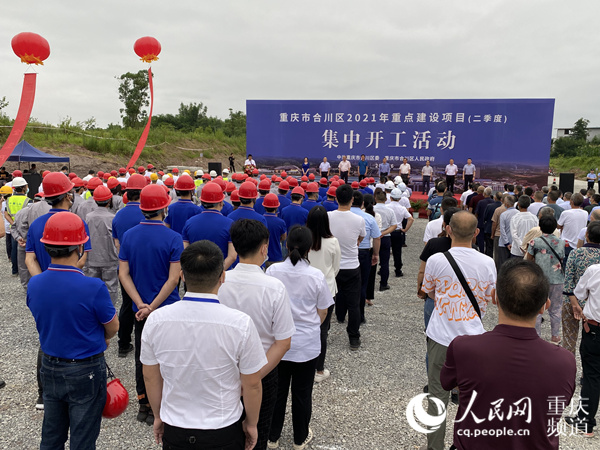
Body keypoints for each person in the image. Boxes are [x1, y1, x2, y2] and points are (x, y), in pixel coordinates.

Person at [141, 240, 266, 449]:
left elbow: (150, 376)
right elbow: (252, 383)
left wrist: (158, 415)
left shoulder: (156, 320)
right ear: (222, 277)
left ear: (182, 276)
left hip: (176, 427)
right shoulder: (240, 324)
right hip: (223, 429)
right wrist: (251, 423)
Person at [441, 259, 576, 449]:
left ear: (494, 297)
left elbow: (447, 383)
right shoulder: (565, 361)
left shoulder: (463, 348)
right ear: (545, 305)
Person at [27, 212, 119, 449]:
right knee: (83, 438)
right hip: (86, 368)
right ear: (80, 247)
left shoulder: (35, 284)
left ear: (46, 246)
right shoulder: (93, 287)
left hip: (50, 364)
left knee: (51, 435)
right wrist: (103, 337)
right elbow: (113, 327)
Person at [421, 211, 496, 450]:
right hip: (474, 337)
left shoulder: (436, 260)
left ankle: (435, 446)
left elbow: (429, 292)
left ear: (448, 229)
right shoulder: (487, 262)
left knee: (437, 395)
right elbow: (490, 296)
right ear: (476, 233)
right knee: (472, 397)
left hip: (441, 335)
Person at [219, 220, 295, 450]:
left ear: (235, 247)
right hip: (263, 372)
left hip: (223, 370)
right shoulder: (274, 287)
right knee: (257, 436)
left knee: (224, 434)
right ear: (264, 248)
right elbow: (283, 342)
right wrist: (252, 378)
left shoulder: (219, 281)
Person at [118, 184, 183, 425]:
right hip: (167, 309)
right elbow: (173, 279)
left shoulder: (129, 236)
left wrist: (141, 304)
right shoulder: (173, 238)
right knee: (169, 356)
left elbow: (123, 274)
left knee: (143, 357)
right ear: (164, 207)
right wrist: (154, 306)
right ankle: (165, 404)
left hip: (140, 312)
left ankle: (144, 403)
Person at [266, 226, 334, 449]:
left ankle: (272, 436)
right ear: (309, 248)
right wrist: (309, 327)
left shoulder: (272, 271)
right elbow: (323, 311)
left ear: (286, 245)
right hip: (306, 344)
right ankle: (299, 438)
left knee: (276, 392)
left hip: (277, 344)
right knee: (303, 393)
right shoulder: (316, 275)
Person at [327, 184, 366, 350]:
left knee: (328, 302)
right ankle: (354, 338)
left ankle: (324, 332)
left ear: (336, 199)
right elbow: (361, 237)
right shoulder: (359, 219)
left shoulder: (328, 216)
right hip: (351, 265)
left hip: (331, 266)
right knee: (353, 304)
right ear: (352, 199)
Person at [565, 259, 600, 436]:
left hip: (595, 329)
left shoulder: (595, 270)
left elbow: (579, 293)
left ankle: (585, 421)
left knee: (592, 375)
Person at [307, 206, 341, 383]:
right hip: (327, 289)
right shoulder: (333, 241)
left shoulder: (304, 239)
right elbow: (336, 268)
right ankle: (319, 369)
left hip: (305, 289)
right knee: (322, 329)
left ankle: (303, 362)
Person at [525, 215, 565, 343]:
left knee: (538, 309)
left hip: (539, 279)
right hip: (557, 279)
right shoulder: (561, 242)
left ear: (540, 227)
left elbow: (528, 260)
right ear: (554, 228)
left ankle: (536, 335)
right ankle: (555, 336)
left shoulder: (534, 242)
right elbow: (562, 258)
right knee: (556, 309)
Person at [562, 222, 600, 355]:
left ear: (586, 235)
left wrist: (574, 304)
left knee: (569, 338)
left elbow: (568, 281)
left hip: (571, 300)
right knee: (592, 339)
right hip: (594, 303)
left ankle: (568, 364)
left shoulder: (575, 253)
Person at [182, 182, 237, 270]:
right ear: (221, 202)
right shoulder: (230, 224)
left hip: (195, 273)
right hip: (222, 275)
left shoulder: (189, 222)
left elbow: (184, 252)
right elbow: (232, 256)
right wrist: (216, 273)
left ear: (202, 202)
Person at [85, 186, 119, 304]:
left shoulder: (88, 217)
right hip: (109, 258)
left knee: (92, 289)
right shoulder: (113, 218)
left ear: (95, 200)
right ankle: (109, 311)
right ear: (109, 201)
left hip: (92, 258)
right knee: (111, 289)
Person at [352, 192, 381, 323]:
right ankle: (359, 315)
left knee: (342, 282)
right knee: (362, 284)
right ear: (362, 203)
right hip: (364, 252)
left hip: (345, 251)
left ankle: (341, 313)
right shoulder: (368, 218)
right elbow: (376, 238)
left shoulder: (336, 215)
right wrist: (375, 254)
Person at [373, 189, 397, 292]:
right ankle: (383, 284)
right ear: (386, 199)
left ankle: (370, 283)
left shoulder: (371, 209)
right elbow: (394, 225)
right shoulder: (390, 211)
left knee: (371, 260)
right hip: (385, 236)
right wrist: (384, 233)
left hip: (373, 237)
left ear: (375, 198)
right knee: (384, 262)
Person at [5, 177, 29, 276]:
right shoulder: (28, 200)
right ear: (23, 188)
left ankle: (14, 270)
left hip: (13, 228)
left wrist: (13, 224)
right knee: (25, 250)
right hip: (24, 228)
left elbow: (6, 214)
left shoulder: (9, 199)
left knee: (14, 249)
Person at [388, 188, 414, 277]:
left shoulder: (387, 207)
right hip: (397, 231)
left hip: (387, 231)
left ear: (390, 197)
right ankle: (398, 270)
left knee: (385, 251)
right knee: (397, 252)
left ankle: (383, 268)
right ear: (399, 198)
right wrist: (405, 229)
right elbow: (411, 219)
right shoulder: (402, 208)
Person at [557, 192, 588, 263]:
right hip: (580, 243)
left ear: (571, 201)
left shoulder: (566, 213)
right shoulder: (585, 213)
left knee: (565, 264)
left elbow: (558, 225)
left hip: (567, 243)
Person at [262, 194, 287, 266]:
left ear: (264, 206)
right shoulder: (280, 222)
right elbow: (284, 237)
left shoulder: (260, 220)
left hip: (262, 257)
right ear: (276, 207)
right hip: (276, 256)